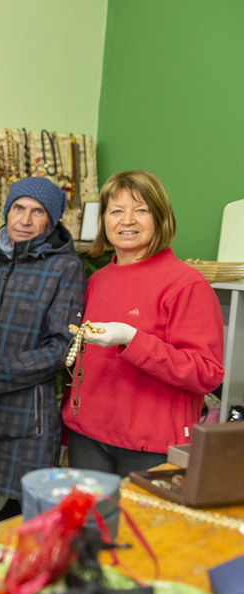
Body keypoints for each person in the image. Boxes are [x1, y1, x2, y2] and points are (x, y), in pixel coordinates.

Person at [0, 177, 86, 535]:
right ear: (7, 211)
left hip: (27, 417)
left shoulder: (65, 268)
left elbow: (61, 349)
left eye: (37, 212)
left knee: (30, 528)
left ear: (51, 221)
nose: (24, 219)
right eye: (18, 208)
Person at [63, 170, 224, 476]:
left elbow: (206, 372)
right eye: (116, 211)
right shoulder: (97, 280)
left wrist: (133, 339)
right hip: (88, 438)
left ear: (160, 218)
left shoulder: (186, 284)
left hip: (151, 446)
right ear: (103, 220)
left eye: (140, 210)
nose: (127, 220)